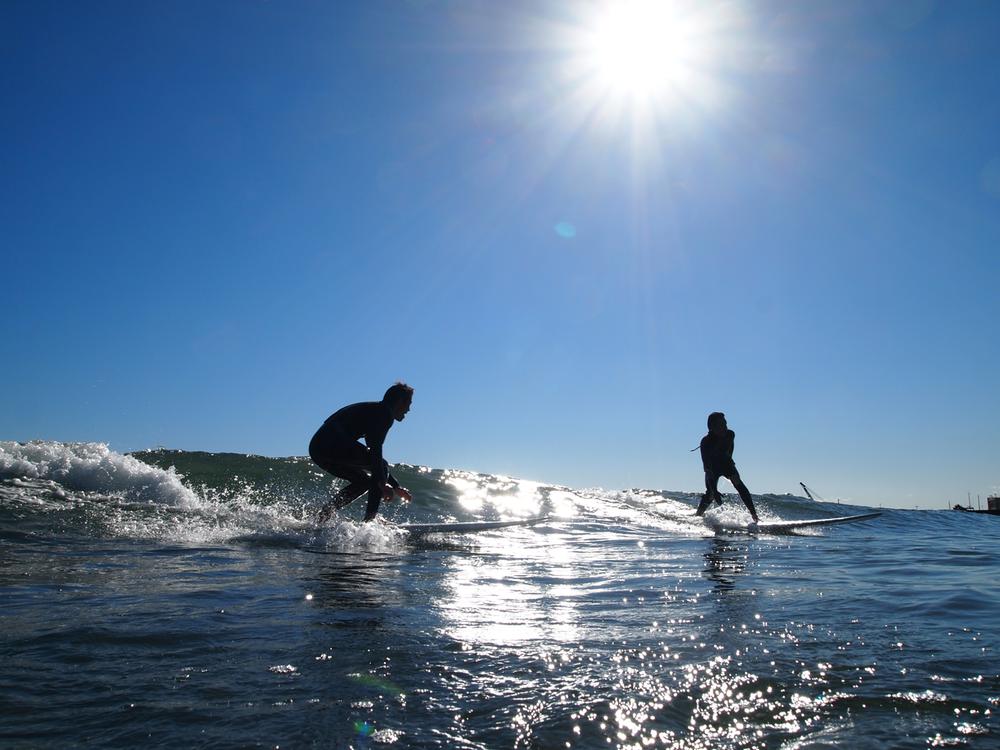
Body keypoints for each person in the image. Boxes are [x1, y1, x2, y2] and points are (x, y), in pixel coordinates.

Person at [310, 383, 414, 522]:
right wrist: (383, 483)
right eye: (409, 404)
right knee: (380, 469)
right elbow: (375, 451)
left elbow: (373, 454)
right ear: (400, 401)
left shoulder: (376, 410)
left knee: (363, 482)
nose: (408, 409)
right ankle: (369, 521)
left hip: (318, 448)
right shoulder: (384, 413)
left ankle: (322, 516)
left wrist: (395, 486)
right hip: (330, 445)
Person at [695, 411, 759, 523]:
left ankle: (754, 516)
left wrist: (730, 461)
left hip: (726, 463)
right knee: (710, 494)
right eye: (721, 425)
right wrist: (714, 491)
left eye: (725, 423)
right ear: (712, 428)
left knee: (738, 482)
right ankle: (697, 517)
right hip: (712, 467)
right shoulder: (706, 442)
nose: (725, 427)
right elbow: (707, 468)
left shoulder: (730, 434)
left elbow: (730, 448)